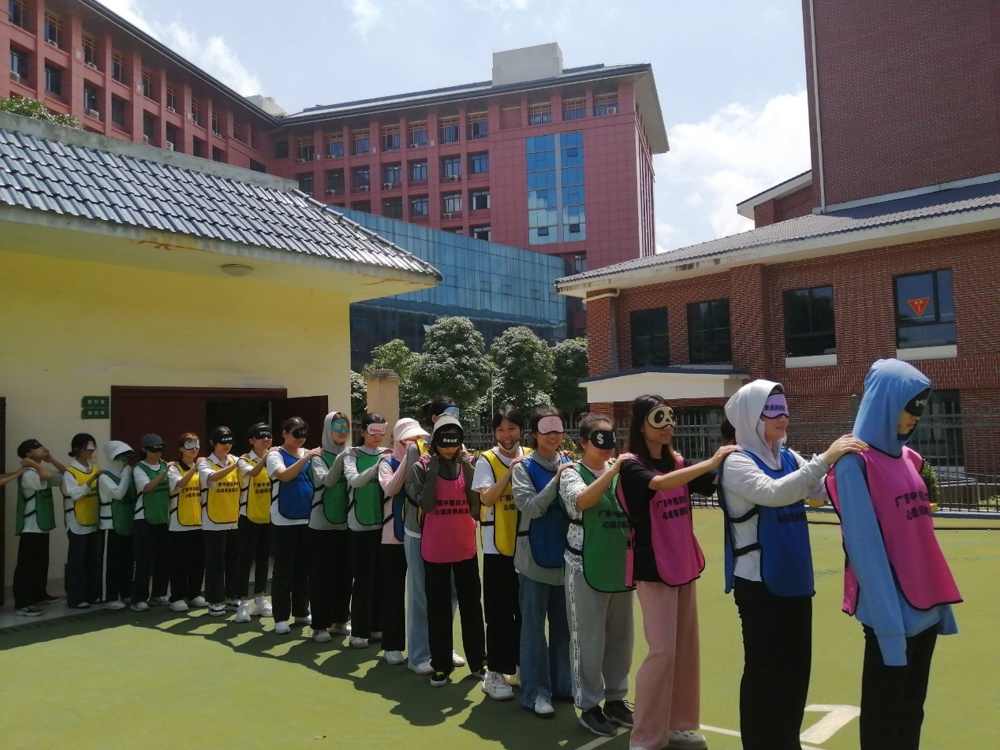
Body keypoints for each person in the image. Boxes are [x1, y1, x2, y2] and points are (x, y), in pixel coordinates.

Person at [720, 381, 867, 750]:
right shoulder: (737, 461)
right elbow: (774, 493)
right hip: (759, 584)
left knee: (796, 669)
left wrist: (852, 464)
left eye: (784, 408)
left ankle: (786, 741)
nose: (783, 416)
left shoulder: (787, 457)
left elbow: (817, 489)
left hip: (796, 577)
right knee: (765, 670)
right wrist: (826, 458)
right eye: (772, 410)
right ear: (750, 416)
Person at [827, 359, 962, 750]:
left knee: (911, 711)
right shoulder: (854, 465)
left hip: (926, 608)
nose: (916, 416)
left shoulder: (909, 458)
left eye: (921, 406)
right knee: (884, 717)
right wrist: (889, 625)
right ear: (886, 403)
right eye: (909, 406)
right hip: (891, 614)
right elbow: (865, 551)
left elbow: (922, 538)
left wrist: (941, 607)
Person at [616, 395, 735, 750]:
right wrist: (712, 460)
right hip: (653, 568)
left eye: (670, 417)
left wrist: (737, 452)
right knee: (662, 651)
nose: (668, 424)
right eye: (659, 418)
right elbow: (660, 484)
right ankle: (645, 735)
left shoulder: (678, 462)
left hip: (684, 565)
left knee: (684, 649)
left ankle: (679, 724)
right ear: (641, 425)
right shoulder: (630, 465)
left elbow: (710, 481)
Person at [559, 414, 635, 736]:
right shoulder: (571, 474)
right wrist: (613, 472)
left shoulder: (621, 469)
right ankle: (589, 705)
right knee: (588, 640)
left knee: (621, 640)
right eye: (598, 440)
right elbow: (581, 501)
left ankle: (615, 699)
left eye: (610, 439)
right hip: (584, 566)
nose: (606, 446)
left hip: (620, 567)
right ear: (583, 442)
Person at [407, 415, 486, 686]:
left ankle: (479, 662)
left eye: (454, 443)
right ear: (434, 441)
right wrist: (433, 470)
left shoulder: (470, 463)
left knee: (471, 607)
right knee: (438, 610)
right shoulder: (421, 465)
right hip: (435, 550)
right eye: (444, 443)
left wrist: (467, 467)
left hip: (465, 548)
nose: (450, 448)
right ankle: (440, 664)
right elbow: (427, 505)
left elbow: (475, 506)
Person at [510, 407, 575, 718]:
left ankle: (563, 684)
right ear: (534, 434)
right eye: (546, 430)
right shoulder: (522, 468)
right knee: (533, 629)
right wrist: (558, 480)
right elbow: (531, 508)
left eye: (557, 429)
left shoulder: (570, 463)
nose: (553, 435)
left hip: (567, 556)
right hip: (533, 559)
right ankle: (535, 692)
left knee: (564, 627)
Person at [401, 397, 465, 675]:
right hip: (420, 531)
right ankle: (418, 655)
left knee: (450, 593)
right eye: (448, 414)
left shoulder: (462, 449)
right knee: (421, 594)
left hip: (452, 533)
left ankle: (442, 646)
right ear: (434, 419)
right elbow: (413, 490)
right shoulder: (417, 449)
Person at [472, 405, 528, 701]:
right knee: (498, 611)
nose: (507, 435)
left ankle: (517, 666)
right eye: (501, 430)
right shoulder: (487, 459)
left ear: (522, 429)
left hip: (527, 546)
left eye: (512, 428)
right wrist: (511, 471)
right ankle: (493, 672)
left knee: (525, 611)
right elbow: (487, 498)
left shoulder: (531, 455)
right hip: (497, 547)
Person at [266, 416, 322, 634]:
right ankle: (280, 617)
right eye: (296, 433)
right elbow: (284, 476)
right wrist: (306, 457)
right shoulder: (275, 455)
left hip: (308, 518)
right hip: (283, 520)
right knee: (283, 570)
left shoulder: (309, 453)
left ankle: (301, 611)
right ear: (284, 433)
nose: (301, 438)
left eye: (304, 433)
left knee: (303, 569)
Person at [378, 417, 428, 664]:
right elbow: (390, 489)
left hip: (421, 535)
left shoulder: (427, 461)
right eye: (408, 439)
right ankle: (392, 645)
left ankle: (430, 647)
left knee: (424, 594)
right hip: (393, 536)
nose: (415, 442)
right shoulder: (386, 462)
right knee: (394, 592)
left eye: (418, 438)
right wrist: (409, 459)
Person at [343, 413, 389, 649]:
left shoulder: (387, 454)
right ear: (362, 432)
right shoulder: (352, 454)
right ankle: (359, 631)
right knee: (362, 579)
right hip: (359, 525)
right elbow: (354, 481)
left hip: (385, 525)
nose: (377, 436)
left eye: (381, 431)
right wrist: (379, 466)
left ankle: (377, 626)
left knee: (381, 578)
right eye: (373, 431)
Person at [308, 411, 354, 642]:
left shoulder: (352, 454)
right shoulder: (317, 456)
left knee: (344, 576)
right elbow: (326, 480)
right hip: (321, 526)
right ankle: (319, 625)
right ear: (328, 430)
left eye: (345, 427)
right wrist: (343, 457)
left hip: (347, 524)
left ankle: (340, 620)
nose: (342, 431)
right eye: (337, 427)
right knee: (321, 577)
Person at [13, 439, 65, 616]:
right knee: (27, 566)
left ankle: (38, 594)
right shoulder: (28, 473)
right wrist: (31, 464)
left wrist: (51, 459)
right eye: (37, 448)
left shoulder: (39, 469)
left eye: (41, 445)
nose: (43, 448)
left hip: (42, 525)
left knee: (41, 563)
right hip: (30, 526)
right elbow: (48, 477)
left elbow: (65, 476)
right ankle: (23, 603)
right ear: (28, 454)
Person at [234, 423, 275, 622]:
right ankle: (242, 602)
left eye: (269, 436)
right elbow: (254, 472)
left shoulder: (275, 458)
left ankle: (260, 598)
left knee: (263, 559)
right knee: (246, 559)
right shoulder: (243, 460)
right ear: (251, 440)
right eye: (261, 436)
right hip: (248, 516)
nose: (266, 439)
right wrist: (268, 456)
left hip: (268, 516)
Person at [200, 426, 242, 617]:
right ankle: (215, 600)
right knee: (215, 563)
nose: (227, 445)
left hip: (234, 518)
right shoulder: (205, 463)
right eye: (222, 441)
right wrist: (235, 466)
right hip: (213, 520)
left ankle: (232, 596)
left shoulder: (236, 460)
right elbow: (212, 477)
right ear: (212, 443)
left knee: (234, 561)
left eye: (229, 441)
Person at [62, 433, 103, 609]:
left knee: (93, 560)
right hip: (77, 523)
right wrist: (92, 480)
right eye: (87, 449)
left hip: (94, 520)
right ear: (77, 449)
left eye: (93, 449)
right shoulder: (70, 472)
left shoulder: (94, 468)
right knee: (77, 562)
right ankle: (76, 598)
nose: (91, 452)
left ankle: (93, 594)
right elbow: (75, 494)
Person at [167, 432, 207, 612]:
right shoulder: (174, 468)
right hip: (179, 523)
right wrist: (195, 468)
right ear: (181, 449)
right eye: (190, 446)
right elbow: (180, 484)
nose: (194, 449)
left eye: (197, 445)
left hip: (199, 521)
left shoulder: (202, 467)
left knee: (197, 561)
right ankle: (177, 597)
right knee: (179, 563)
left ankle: (194, 594)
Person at [131, 434, 171, 611]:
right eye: (154, 449)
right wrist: (165, 472)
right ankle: (138, 599)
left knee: (163, 559)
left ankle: (159, 594)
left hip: (164, 518)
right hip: (144, 519)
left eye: (160, 448)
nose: (158, 452)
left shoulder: (165, 465)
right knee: (143, 561)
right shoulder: (139, 468)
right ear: (144, 450)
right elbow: (147, 487)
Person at [97, 440, 136, 610]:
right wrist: (127, 474)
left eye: (127, 456)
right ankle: (110, 597)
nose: (125, 460)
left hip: (127, 522)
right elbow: (118, 493)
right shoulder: (104, 476)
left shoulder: (126, 473)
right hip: (110, 525)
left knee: (127, 560)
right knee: (111, 562)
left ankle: (126, 592)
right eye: (121, 456)